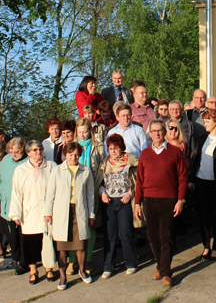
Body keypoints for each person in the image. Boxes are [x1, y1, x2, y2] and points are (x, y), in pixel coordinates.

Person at [134, 120, 188, 287]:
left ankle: (165, 272)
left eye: (160, 131)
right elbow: (140, 181)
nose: (157, 134)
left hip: (169, 200)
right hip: (149, 200)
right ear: (149, 134)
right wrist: (137, 203)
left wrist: (180, 200)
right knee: (153, 237)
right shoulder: (144, 154)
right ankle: (160, 266)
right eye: (154, 131)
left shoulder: (175, 152)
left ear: (164, 132)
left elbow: (182, 178)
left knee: (166, 237)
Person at [44, 142, 95, 290]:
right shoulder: (57, 171)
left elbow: (90, 195)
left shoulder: (85, 171)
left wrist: (91, 213)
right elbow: (50, 193)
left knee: (81, 244)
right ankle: (63, 277)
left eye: (76, 154)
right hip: (62, 212)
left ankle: (82, 271)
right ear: (65, 155)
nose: (74, 157)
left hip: (79, 211)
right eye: (71, 154)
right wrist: (48, 213)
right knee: (62, 247)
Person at [9, 140, 57, 284]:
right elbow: (16, 193)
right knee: (30, 243)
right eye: (35, 150)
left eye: (40, 149)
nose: (38, 153)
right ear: (28, 153)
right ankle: (33, 270)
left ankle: (49, 268)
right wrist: (16, 213)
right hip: (29, 212)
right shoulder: (21, 170)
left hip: (47, 212)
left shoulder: (51, 166)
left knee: (47, 242)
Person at [189, 108, 216, 260]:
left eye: (207, 121)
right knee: (203, 215)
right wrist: (191, 179)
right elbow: (195, 159)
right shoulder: (202, 137)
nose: (205, 124)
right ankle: (206, 245)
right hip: (200, 181)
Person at [98, 134, 139, 279]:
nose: (113, 151)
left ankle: (131, 263)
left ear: (122, 148)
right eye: (110, 148)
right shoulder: (105, 163)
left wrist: (130, 193)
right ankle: (108, 266)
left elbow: (138, 180)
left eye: (116, 148)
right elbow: (100, 183)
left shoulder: (132, 161)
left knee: (125, 234)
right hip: (109, 203)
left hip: (125, 202)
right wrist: (102, 192)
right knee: (110, 235)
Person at [76, 118, 106, 273]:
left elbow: (103, 165)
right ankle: (73, 260)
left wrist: (100, 186)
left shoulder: (98, 146)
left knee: (91, 223)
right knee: (75, 225)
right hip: (76, 189)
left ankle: (88, 259)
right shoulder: (72, 147)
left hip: (93, 187)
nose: (82, 135)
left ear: (90, 131)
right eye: (79, 132)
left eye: (85, 131)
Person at [0, 137, 28, 275]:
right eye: (11, 151)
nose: (14, 154)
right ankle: (16, 258)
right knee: (12, 236)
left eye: (17, 151)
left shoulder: (28, 162)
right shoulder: (5, 161)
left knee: (24, 236)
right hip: (7, 205)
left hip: (24, 206)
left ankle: (25, 261)